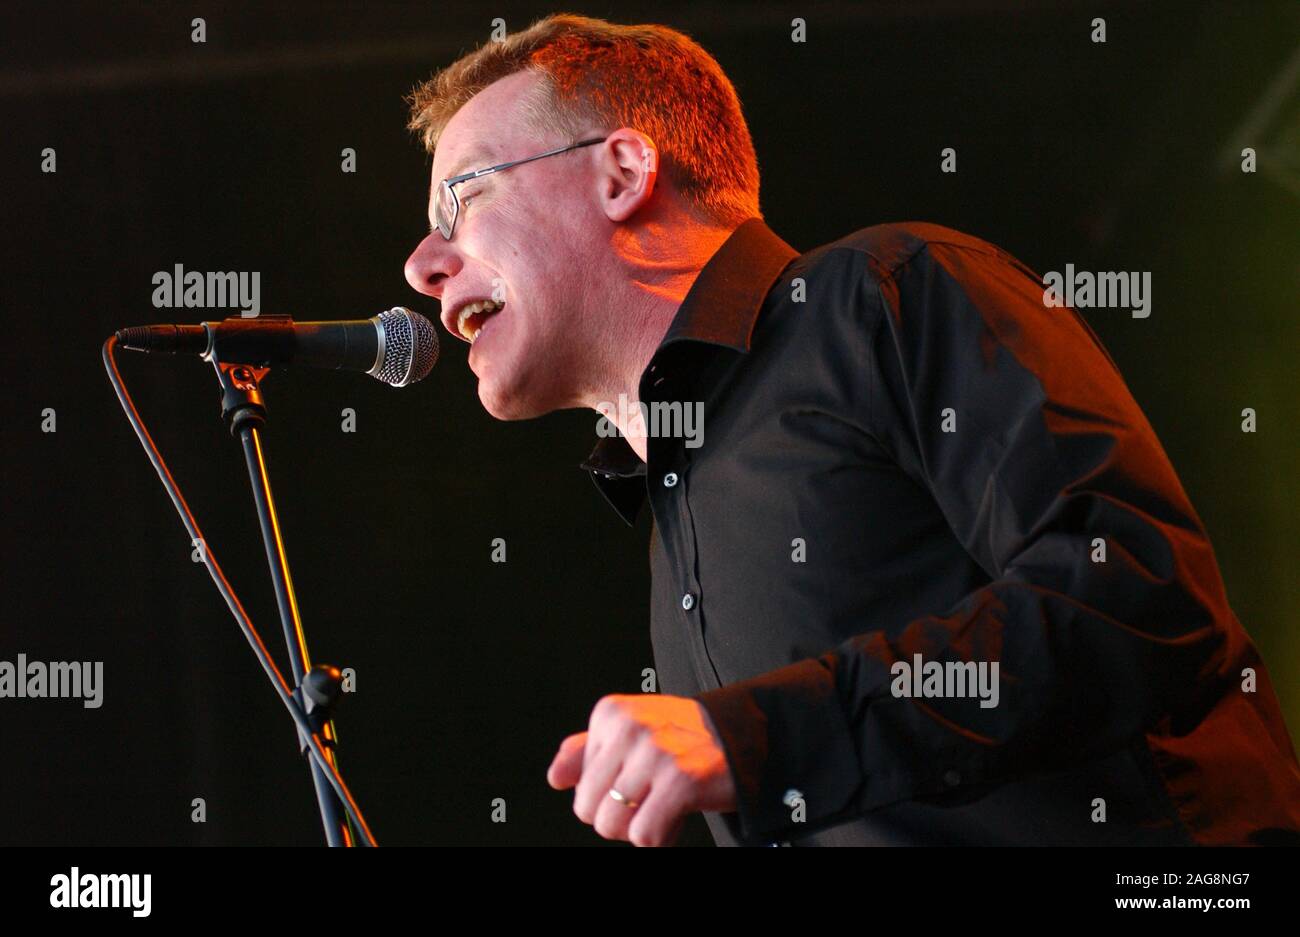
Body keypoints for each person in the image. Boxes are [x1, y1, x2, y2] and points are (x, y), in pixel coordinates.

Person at [401, 14, 1300, 846]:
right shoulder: (677, 529)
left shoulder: (887, 292)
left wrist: (757, 733)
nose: (422, 265)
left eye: (462, 202)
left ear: (622, 174)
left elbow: (1139, 596)